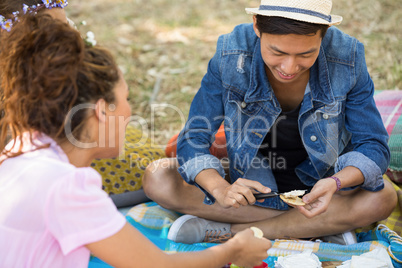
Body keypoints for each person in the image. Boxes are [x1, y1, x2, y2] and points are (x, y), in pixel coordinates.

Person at [0, 13, 271, 268]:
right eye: (126, 99)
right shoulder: (68, 187)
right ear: (102, 110)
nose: (130, 113)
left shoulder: (19, 150)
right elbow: (156, 264)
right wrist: (233, 251)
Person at [143, 0, 398, 245]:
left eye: (306, 54)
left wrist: (335, 183)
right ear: (256, 25)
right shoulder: (230, 54)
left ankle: (230, 233)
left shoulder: (348, 57)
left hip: (324, 186)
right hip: (251, 181)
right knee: (159, 177)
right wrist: (220, 189)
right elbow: (194, 136)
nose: (289, 67)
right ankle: (318, 227)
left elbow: (373, 145)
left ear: (325, 33)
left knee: (383, 199)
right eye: (277, 52)